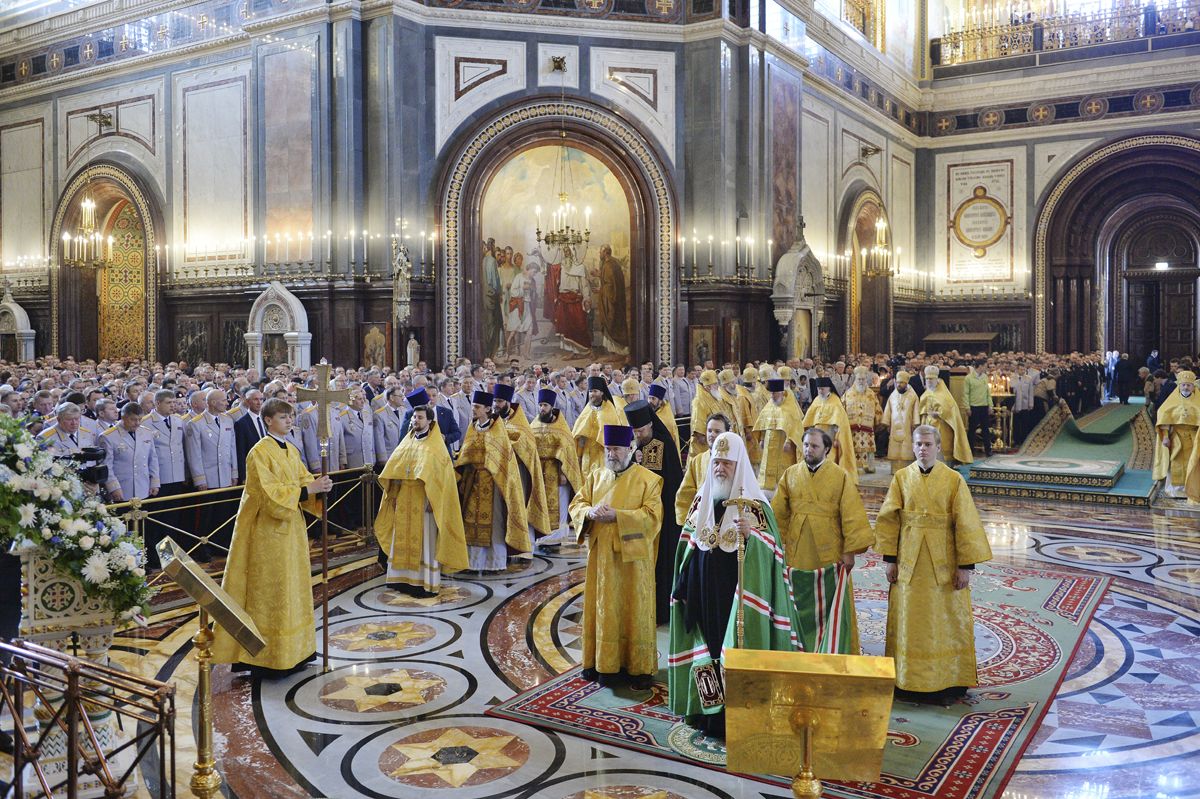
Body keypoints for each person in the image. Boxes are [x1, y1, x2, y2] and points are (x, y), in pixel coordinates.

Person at [668, 432, 801, 738]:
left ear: (738, 464)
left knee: (731, 649)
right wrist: (682, 584)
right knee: (707, 650)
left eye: (727, 463)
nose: (720, 469)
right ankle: (706, 713)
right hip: (702, 592)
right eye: (716, 461)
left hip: (737, 595)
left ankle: (733, 717)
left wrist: (752, 534)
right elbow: (688, 542)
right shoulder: (702, 499)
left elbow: (774, 551)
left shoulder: (754, 505)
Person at [212, 398, 332, 676]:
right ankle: (269, 657)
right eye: (282, 417)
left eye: (290, 417)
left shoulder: (291, 449)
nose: (289, 421)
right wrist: (308, 490)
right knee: (273, 590)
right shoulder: (259, 452)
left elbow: (303, 480)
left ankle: (297, 651)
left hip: (292, 531)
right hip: (268, 534)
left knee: (293, 588)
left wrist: (320, 486)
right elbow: (268, 495)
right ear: (268, 420)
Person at [875, 424, 993, 705]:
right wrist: (889, 559)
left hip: (944, 563)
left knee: (944, 620)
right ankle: (905, 679)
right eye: (918, 444)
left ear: (938, 447)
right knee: (909, 618)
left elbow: (966, 523)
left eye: (928, 444)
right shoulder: (902, 478)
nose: (923, 449)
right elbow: (889, 519)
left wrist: (966, 566)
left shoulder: (953, 480)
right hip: (908, 562)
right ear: (912, 446)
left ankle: (947, 681)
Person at [567, 424, 662, 689]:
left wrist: (617, 517)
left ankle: (637, 668)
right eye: (608, 449)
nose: (611, 454)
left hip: (632, 561)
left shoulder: (648, 480)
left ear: (630, 449)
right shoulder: (596, 476)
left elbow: (653, 517)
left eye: (617, 449)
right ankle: (601, 665)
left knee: (633, 609)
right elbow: (577, 503)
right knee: (603, 607)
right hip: (601, 558)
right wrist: (589, 512)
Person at [771, 427, 873, 653]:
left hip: (830, 549)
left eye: (814, 446)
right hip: (797, 548)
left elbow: (851, 513)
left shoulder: (840, 476)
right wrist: (776, 544)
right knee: (798, 598)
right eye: (806, 445)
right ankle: (798, 646)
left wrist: (850, 550)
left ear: (826, 449)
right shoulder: (791, 474)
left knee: (830, 601)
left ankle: (833, 646)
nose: (809, 449)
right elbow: (778, 512)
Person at [374, 404, 469, 595]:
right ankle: (400, 579)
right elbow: (394, 468)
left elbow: (444, 479)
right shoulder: (407, 441)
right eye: (414, 417)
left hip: (426, 501)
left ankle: (424, 583)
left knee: (425, 542)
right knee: (401, 538)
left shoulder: (436, 446)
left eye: (420, 418)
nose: (415, 421)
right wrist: (393, 491)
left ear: (430, 422)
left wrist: (436, 501)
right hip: (404, 499)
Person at [456, 390, 531, 571]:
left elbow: (504, 457)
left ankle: (495, 563)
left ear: (487, 408)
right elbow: (466, 452)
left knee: (495, 523)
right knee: (470, 520)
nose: (473, 409)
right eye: (473, 406)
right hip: (473, 481)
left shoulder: (497, 429)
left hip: (494, 483)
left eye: (477, 407)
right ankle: (473, 563)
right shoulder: (472, 427)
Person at [624, 400, 683, 625]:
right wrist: (632, 462)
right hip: (642, 517)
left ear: (650, 425)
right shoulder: (636, 446)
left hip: (664, 517)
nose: (638, 435)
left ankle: (661, 611)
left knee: (662, 564)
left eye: (641, 430)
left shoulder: (663, 444)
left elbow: (667, 483)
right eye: (635, 431)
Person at [530, 388, 583, 546]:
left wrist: (563, 473)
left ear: (552, 407)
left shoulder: (561, 427)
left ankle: (555, 539)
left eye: (545, 405)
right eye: (540, 405)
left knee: (558, 505)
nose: (542, 408)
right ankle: (542, 537)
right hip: (539, 471)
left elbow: (567, 451)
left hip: (556, 471)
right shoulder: (534, 424)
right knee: (541, 503)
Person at [676, 413, 731, 526]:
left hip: (728, 519)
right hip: (702, 520)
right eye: (709, 431)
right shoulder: (697, 461)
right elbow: (685, 493)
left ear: (727, 434)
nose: (712, 435)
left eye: (717, 431)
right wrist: (687, 524)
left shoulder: (734, 461)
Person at [751, 378, 804, 492]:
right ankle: (766, 487)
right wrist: (761, 439)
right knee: (768, 466)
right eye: (771, 393)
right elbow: (763, 422)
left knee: (782, 468)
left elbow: (794, 426)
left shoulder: (790, 407)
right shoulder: (770, 405)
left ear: (781, 392)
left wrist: (789, 441)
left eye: (774, 393)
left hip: (783, 444)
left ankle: (783, 487)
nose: (772, 396)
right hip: (769, 443)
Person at [99, 403, 160, 503]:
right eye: (133, 419)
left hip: (144, 487)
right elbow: (106, 466)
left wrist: (154, 482)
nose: (137, 423)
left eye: (140, 419)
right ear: (123, 417)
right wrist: (113, 487)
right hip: (121, 489)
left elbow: (152, 458)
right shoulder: (108, 436)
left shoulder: (146, 433)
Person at [801, 377, 858, 480]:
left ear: (829, 388)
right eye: (818, 389)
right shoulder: (816, 400)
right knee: (815, 457)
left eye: (822, 388)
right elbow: (808, 420)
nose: (820, 391)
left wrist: (837, 438)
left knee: (829, 459)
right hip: (815, 436)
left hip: (829, 436)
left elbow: (839, 423)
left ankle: (829, 479)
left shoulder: (835, 401)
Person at [1155, 371, 1200, 498]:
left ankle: (1192, 488)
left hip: (1194, 438)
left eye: (1189, 385)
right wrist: (1165, 437)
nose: (1186, 387)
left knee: (1194, 463)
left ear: (1193, 386)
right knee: (1175, 462)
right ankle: (1175, 490)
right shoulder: (1172, 402)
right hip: (1176, 438)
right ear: (1179, 386)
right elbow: (1165, 419)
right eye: (1183, 385)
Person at [918, 366, 973, 465]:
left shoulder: (944, 395)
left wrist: (939, 414)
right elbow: (921, 410)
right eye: (927, 379)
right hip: (928, 426)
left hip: (941, 426)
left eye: (931, 379)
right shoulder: (925, 394)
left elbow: (950, 411)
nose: (929, 381)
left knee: (941, 450)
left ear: (936, 380)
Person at [571, 376, 623, 477]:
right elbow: (578, 431)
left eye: (595, 391)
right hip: (587, 454)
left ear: (602, 392)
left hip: (603, 454)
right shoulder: (588, 408)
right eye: (590, 391)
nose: (592, 394)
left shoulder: (609, 409)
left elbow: (614, 433)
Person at [843, 366, 882, 473]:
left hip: (867, 425)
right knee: (854, 447)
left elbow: (877, 407)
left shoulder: (871, 393)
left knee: (868, 447)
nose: (861, 381)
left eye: (863, 379)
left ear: (866, 380)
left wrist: (879, 421)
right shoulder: (848, 393)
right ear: (855, 379)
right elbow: (842, 408)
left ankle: (869, 466)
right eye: (859, 379)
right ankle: (855, 467)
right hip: (852, 426)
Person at [882, 371, 918, 467]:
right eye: (897, 383)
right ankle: (894, 468)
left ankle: (906, 467)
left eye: (901, 383)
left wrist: (915, 424)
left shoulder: (913, 396)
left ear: (906, 383)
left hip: (907, 426)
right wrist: (887, 423)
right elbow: (888, 410)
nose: (899, 385)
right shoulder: (893, 395)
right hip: (894, 426)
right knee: (894, 445)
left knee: (906, 446)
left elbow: (916, 411)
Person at [688, 370, 724, 457]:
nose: (717, 387)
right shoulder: (699, 401)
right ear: (707, 387)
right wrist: (707, 441)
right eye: (715, 384)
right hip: (704, 447)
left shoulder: (713, 397)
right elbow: (698, 426)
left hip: (715, 442)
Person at [964, 360, 993, 458]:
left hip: (984, 406)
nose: (986, 368)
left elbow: (988, 392)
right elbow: (966, 394)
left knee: (985, 429)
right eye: (985, 366)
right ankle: (970, 451)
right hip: (974, 406)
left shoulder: (985, 377)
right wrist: (967, 407)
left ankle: (988, 450)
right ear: (980, 366)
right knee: (972, 430)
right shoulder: (968, 378)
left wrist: (990, 405)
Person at [646, 383, 680, 451]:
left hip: (665, 448)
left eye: (653, 399)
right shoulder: (648, 411)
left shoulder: (666, 415)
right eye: (649, 398)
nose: (650, 401)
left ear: (660, 401)